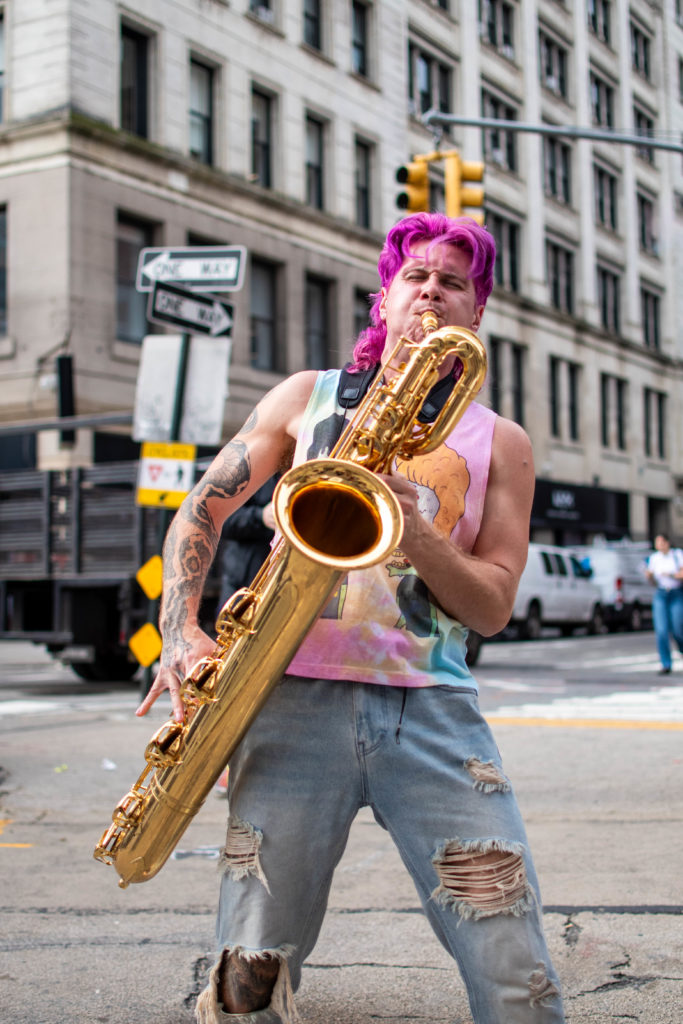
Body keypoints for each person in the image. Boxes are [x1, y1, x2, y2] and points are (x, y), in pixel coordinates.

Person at [136, 212, 565, 1024]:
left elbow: (493, 605)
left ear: (477, 313)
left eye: (453, 282)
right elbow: (202, 506)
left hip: (432, 712)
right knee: (247, 974)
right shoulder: (308, 397)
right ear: (385, 298)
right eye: (416, 277)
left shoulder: (500, 440)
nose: (431, 292)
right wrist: (179, 632)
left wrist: (420, 532)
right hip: (285, 698)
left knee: (511, 956)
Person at [645, 533, 683, 674]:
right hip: (661, 594)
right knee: (661, 630)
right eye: (657, 543)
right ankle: (665, 664)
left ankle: (681, 648)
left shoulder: (677, 555)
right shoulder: (654, 558)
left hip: (676, 593)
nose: (659, 545)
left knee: (678, 627)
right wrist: (649, 577)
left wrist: (670, 574)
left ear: (667, 543)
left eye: (661, 542)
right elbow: (653, 582)